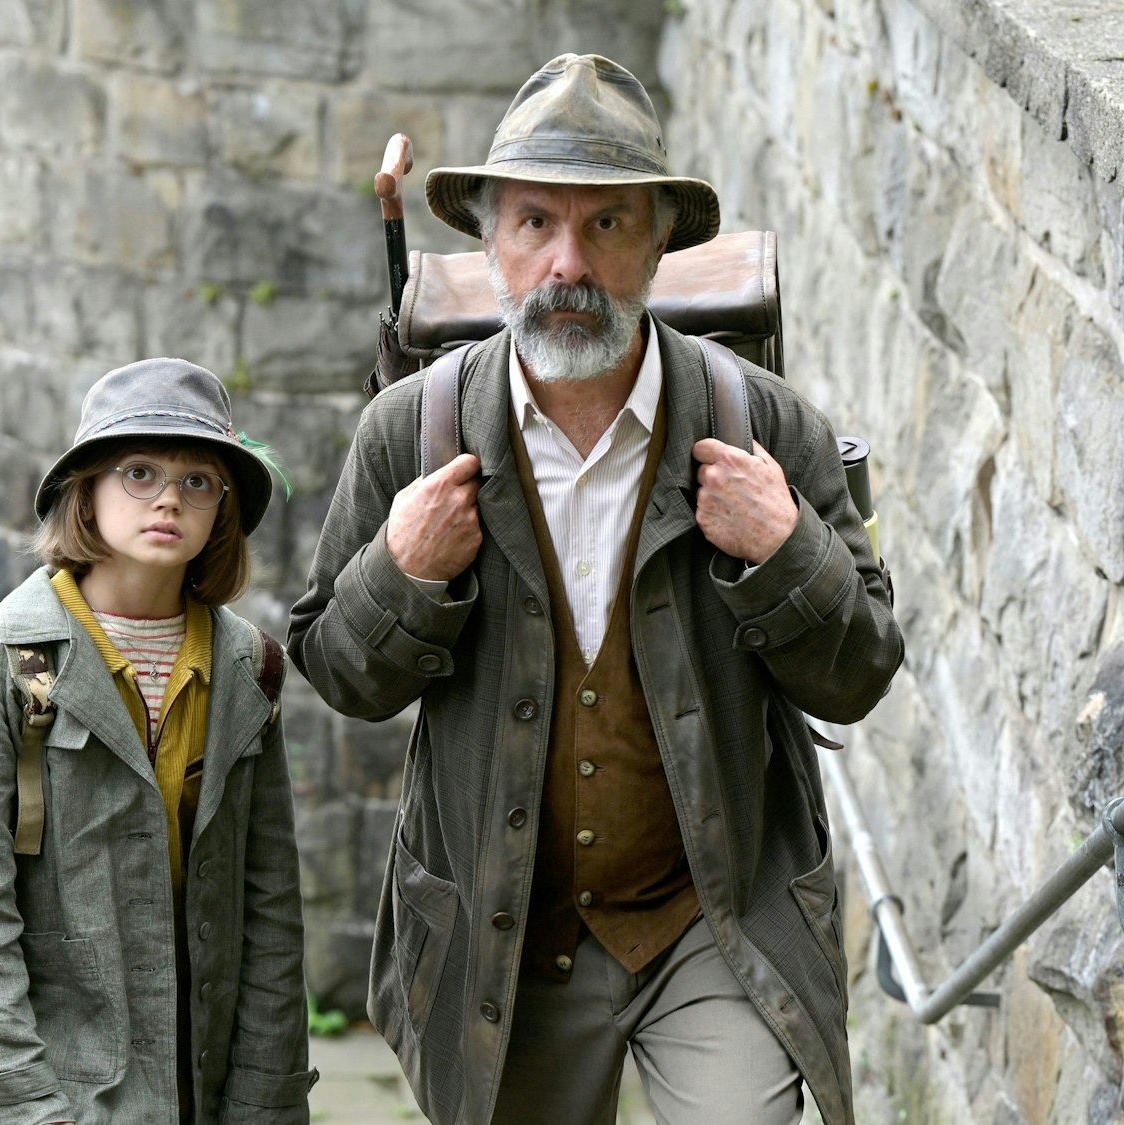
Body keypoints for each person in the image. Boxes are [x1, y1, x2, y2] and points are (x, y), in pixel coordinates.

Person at [287, 55, 903, 1125]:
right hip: (501, 938)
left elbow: (855, 678)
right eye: (533, 225)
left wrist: (783, 548)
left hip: (712, 923)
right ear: (489, 242)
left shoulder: (764, 427)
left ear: (658, 242)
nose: (567, 263)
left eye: (607, 226)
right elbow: (339, 675)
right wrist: (403, 572)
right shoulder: (412, 433)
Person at [0, 358, 316, 1125]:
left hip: (208, 1091)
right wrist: (25, 1106)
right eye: (139, 472)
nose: (170, 497)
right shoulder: (4, 660)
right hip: (57, 1093)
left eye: (199, 480)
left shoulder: (252, 667)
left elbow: (270, 906)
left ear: (221, 511)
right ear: (88, 492)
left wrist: (266, 1099)